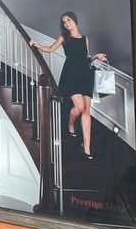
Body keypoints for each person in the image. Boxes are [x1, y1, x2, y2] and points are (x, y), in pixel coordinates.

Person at [29, 11, 106, 160]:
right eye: (64, 22)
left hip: (85, 75)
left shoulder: (85, 39)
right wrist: (37, 45)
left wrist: (96, 56)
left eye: (69, 20)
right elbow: (51, 49)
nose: (67, 24)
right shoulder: (64, 38)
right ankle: (71, 124)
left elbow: (86, 58)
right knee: (79, 107)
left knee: (87, 110)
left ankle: (87, 146)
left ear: (75, 21)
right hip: (71, 75)